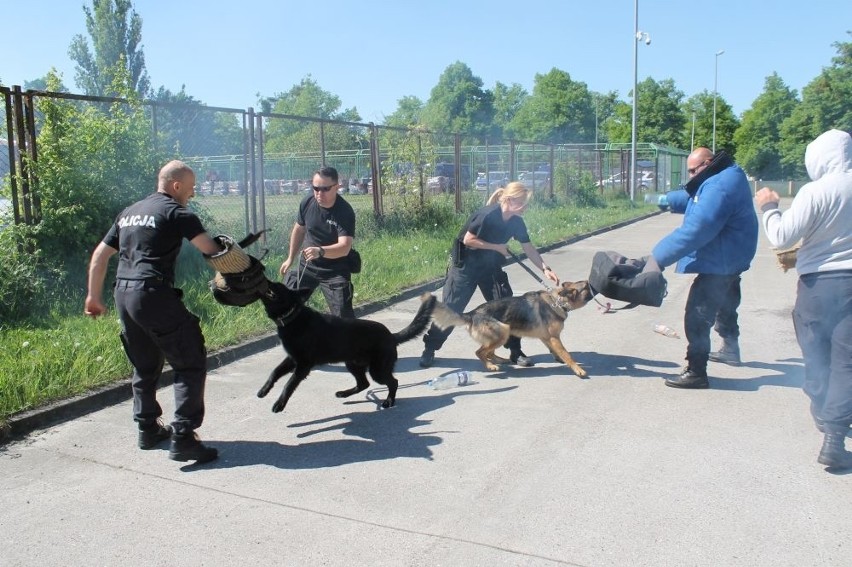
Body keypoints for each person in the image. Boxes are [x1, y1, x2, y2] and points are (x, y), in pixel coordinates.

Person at [84, 160, 223, 463]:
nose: (192, 193)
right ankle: (184, 436)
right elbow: (210, 250)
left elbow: (100, 255)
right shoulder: (177, 212)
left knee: (144, 363)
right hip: (152, 293)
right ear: (176, 186)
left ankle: (147, 429)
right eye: (191, 188)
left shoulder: (129, 212)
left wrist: (93, 296)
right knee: (189, 359)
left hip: (123, 293)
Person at [755, 128, 852, 470]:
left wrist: (768, 208)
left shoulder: (816, 192)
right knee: (846, 364)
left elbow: (782, 237)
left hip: (817, 287)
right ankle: (834, 436)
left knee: (816, 355)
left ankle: (825, 415)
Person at [419, 181, 560, 368]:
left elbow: (528, 247)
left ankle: (515, 352)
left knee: (510, 309)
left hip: (490, 268)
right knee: (451, 309)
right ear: (509, 200)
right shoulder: (486, 215)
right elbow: (469, 240)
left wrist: (545, 268)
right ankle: (430, 348)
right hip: (465, 268)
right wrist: (497, 247)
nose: (525, 207)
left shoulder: (517, 221)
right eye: (522, 203)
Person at [651, 147, 758, 389]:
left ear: (707, 163)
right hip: (732, 256)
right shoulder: (725, 176)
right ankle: (731, 348)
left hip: (721, 261)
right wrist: (669, 199)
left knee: (698, 314)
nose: (690, 176)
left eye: (692, 170)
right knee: (726, 304)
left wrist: (657, 258)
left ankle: (696, 371)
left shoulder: (719, 186)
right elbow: (696, 198)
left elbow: (697, 228)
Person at [278, 166, 356, 318]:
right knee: (285, 307)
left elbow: (345, 247)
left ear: (337, 187)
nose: (319, 193)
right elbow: (299, 230)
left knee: (344, 319)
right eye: (316, 188)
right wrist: (290, 258)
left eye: (325, 189)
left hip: (335, 270)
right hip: (308, 266)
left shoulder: (344, 211)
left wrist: (320, 251)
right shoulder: (307, 202)